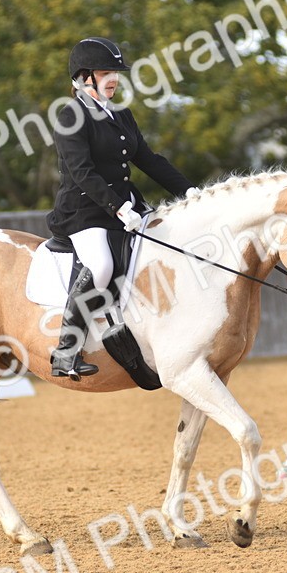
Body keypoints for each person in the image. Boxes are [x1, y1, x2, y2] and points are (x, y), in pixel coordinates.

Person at [46, 36, 196, 380]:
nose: (114, 79)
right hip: (84, 213)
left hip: (126, 208)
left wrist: (188, 190)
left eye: (115, 72)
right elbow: (82, 173)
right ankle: (66, 352)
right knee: (100, 266)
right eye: (106, 72)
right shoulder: (71, 116)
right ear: (85, 78)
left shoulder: (122, 115)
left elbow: (149, 160)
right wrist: (117, 208)